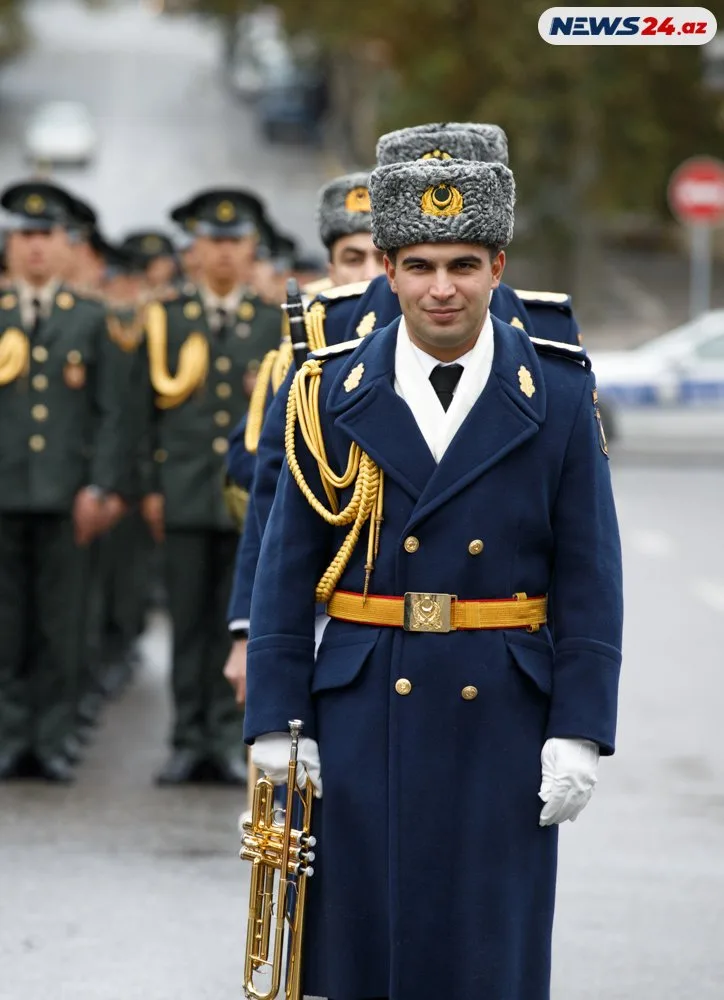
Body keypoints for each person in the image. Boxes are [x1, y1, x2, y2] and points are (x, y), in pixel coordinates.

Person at [244, 156, 623, 1000]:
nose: (440, 289)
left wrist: (581, 727)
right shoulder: (327, 389)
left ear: (498, 268)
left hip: (503, 711)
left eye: (461, 265)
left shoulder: (557, 395)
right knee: (361, 948)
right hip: (364, 701)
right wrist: (276, 718)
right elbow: (285, 565)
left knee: (489, 948)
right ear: (387, 269)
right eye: (418, 266)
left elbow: (591, 571)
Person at [223, 122, 565, 702]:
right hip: (361, 628)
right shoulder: (330, 326)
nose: (443, 208)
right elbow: (279, 491)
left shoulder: (544, 336)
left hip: (498, 639)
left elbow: (570, 524)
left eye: (462, 187)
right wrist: (251, 632)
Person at [223, 171, 386, 693]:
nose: (367, 275)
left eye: (378, 258)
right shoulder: (305, 360)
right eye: (351, 259)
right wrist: (248, 629)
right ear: (330, 268)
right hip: (321, 601)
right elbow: (267, 498)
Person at [142, 187, 282, 786]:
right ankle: (185, 736)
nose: (224, 255)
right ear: (193, 251)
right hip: (183, 492)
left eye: (236, 242)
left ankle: (227, 739)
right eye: (213, 242)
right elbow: (143, 414)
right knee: (188, 620)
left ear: (253, 250)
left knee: (238, 623)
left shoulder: (274, 325)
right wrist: (149, 485)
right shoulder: (167, 320)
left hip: (246, 500)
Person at [0, 181, 133, 782]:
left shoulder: (89, 319)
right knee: (7, 624)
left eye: (45, 236)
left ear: (64, 244)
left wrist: (100, 487)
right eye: (24, 236)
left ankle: (50, 738)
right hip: (5, 494)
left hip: (66, 496)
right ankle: (9, 734)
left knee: (61, 623)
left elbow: (113, 413)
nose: (33, 248)